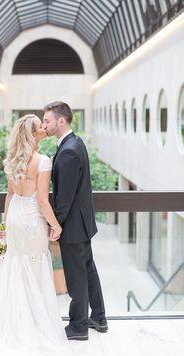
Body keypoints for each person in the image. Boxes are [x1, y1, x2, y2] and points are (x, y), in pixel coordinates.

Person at [0, 114, 75, 356]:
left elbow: (9, 195)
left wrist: (5, 226)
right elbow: (42, 200)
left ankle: (16, 326)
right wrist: (56, 225)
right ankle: (35, 328)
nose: (44, 128)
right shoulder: (43, 161)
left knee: (17, 268)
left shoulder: (13, 160)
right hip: (32, 219)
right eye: (39, 127)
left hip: (16, 216)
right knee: (35, 271)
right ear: (32, 134)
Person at [43, 101, 108, 341]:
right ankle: (99, 317)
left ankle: (79, 326)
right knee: (88, 270)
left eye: (47, 121)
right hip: (82, 223)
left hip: (72, 225)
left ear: (61, 121)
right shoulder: (74, 142)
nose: (44, 125)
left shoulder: (69, 150)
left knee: (76, 277)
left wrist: (55, 224)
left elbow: (65, 197)